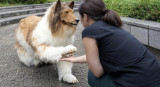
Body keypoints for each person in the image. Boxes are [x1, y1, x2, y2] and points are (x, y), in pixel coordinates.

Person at [60, 0, 160, 87]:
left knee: (92, 76)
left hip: (140, 84)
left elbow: (97, 72)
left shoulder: (89, 31)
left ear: (85, 17)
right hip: (156, 77)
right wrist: (74, 59)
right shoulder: (112, 25)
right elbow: (95, 55)